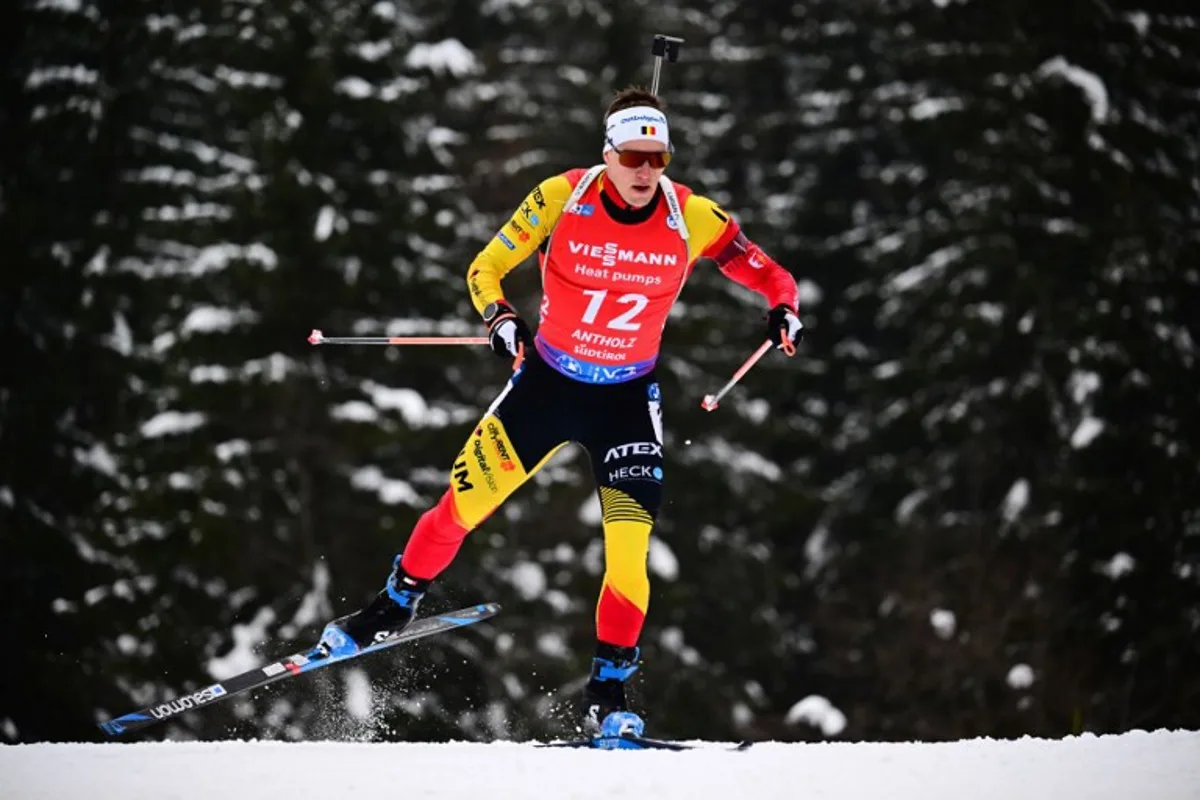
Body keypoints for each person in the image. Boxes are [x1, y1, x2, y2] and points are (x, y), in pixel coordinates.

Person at [315, 86, 804, 732]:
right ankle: (393, 603)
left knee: (629, 555)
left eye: (658, 158)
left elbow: (765, 269)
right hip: (546, 387)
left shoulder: (691, 217)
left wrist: (782, 307)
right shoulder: (560, 197)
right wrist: (500, 320)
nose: (646, 172)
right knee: (459, 509)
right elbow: (485, 268)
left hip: (626, 404)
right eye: (633, 156)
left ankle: (608, 695)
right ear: (608, 154)